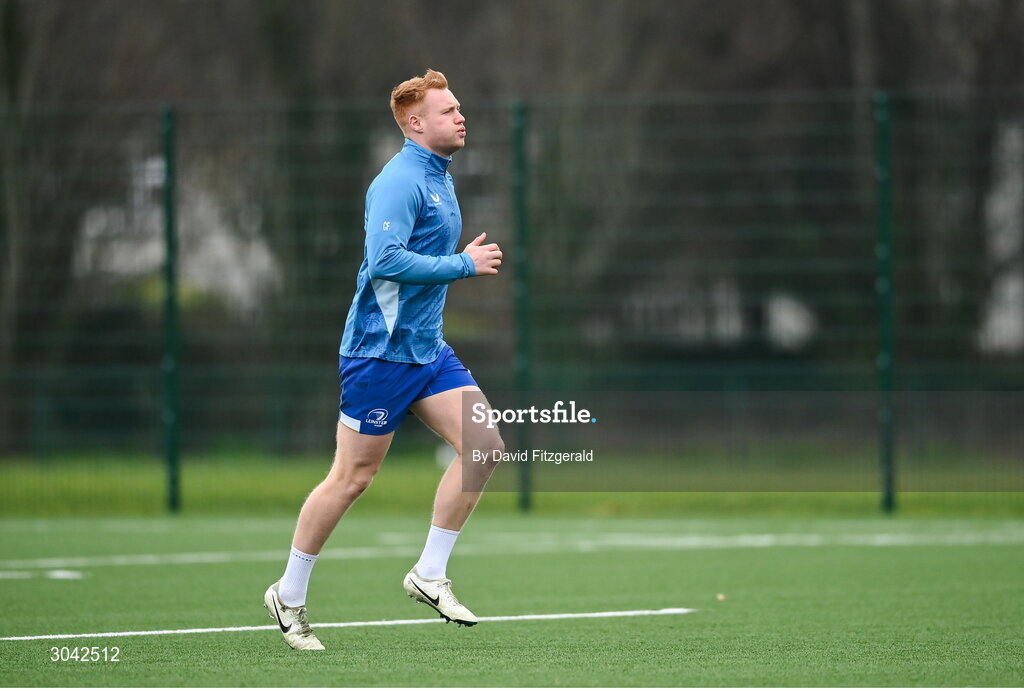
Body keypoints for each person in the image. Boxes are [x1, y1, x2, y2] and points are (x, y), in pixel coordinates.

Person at [263, 69, 505, 651]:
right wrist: (461, 265)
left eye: (459, 107)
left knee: (486, 446)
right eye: (448, 111)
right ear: (416, 123)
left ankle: (428, 574)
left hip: (427, 351)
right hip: (379, 355)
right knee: (353, 478)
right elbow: (385, 262)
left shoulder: (441, 177)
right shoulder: (398, 180)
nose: (460, 116)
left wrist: (455, 263)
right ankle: (288, 594)